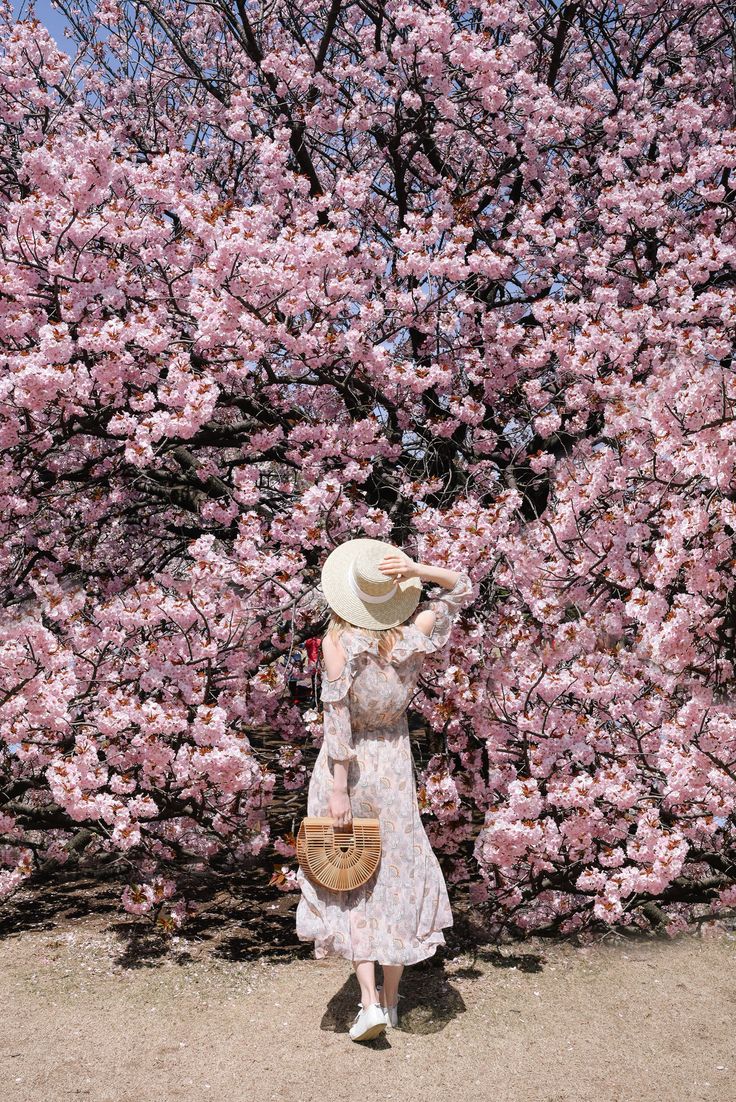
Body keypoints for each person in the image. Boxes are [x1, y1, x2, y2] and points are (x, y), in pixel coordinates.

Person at [295, 537, 474, 1042]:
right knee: (397, 875)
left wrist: (338, 790)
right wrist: (418, 569)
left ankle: (369, 1002)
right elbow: (459, 588)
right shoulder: (413, 633)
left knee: (351, 876)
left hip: (348, 771)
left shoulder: (337, 643)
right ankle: (391, 1003)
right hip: (395, 766)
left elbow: (337, 721)